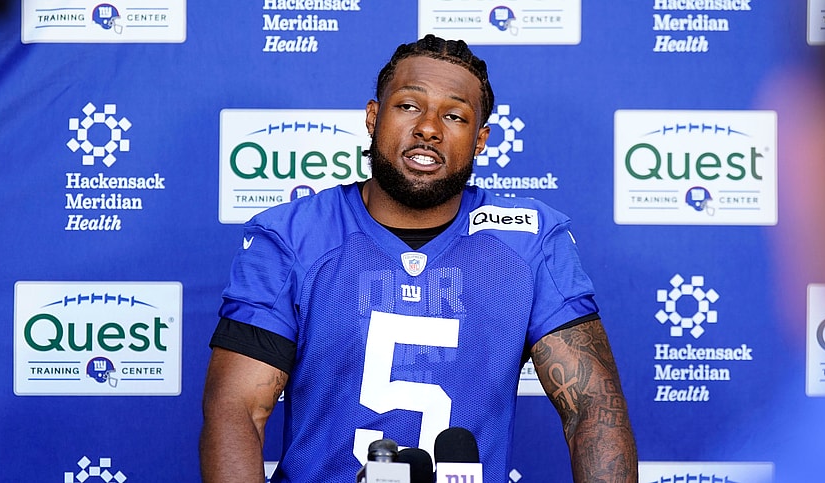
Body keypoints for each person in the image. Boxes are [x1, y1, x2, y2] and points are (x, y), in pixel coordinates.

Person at [200, 34, 638, 483]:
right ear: (373, 117)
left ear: (481, 139)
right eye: (409, 106)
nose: (429, 127)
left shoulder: (529, 241)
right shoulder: (292, 236)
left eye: (454, 115)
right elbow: (236, 410)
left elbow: (592, 407)